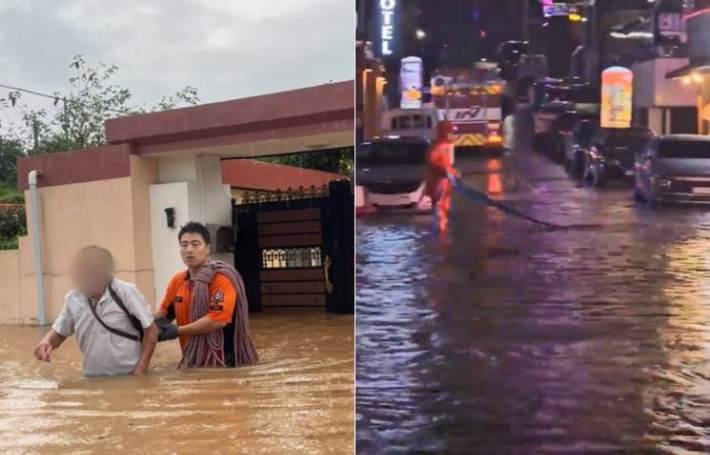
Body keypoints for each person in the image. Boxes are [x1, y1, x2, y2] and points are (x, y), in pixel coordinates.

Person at [33, 246, 158, 377]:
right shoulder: (72, 298)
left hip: (128, 374)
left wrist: (141, 370)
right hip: (92, 377)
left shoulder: (126, 292)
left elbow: (151, 331)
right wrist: (46, 342)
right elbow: (60, 333)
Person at [153, 222, 258, 368]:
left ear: (207, 249)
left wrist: (178, 330)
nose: (189, 250)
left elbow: (217, 320)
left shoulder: (221, 279)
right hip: (193, 359)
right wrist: (145, 323)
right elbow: (165, 313)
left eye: (195, 244)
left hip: (224, 362)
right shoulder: (178, 281)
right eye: (184, 245)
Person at [425, 120, 460, 232]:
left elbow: (447, 165)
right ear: (446, 132)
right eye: (452, 132)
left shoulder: (446, 147)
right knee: (439, 209)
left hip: (445, 186)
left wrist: (454, 173)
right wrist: (445, 172)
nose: (454, 135)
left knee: (444, 208)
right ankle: (440, 234)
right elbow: (433, 162)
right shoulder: (438, 147)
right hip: (438, 185)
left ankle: (442, 232)